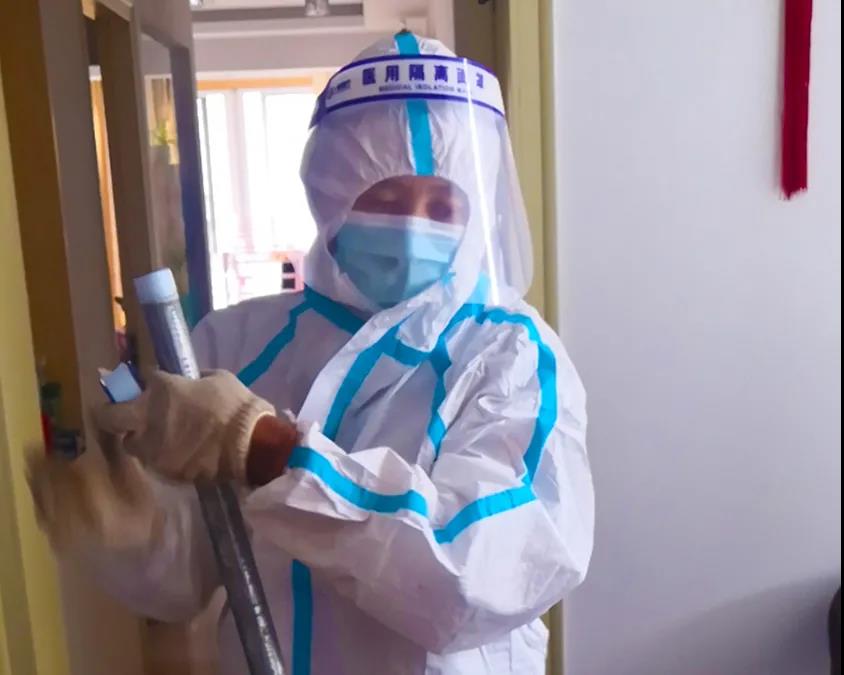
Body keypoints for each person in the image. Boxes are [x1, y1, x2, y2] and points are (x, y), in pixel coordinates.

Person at [29, 32, 594, 674]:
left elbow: (479, 576)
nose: (414, 227)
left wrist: (268, 450)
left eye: (442, 205)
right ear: (332, 199)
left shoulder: (511, 357)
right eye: (385, 199)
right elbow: (206, 562)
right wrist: (135, 532)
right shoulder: (239, 342)